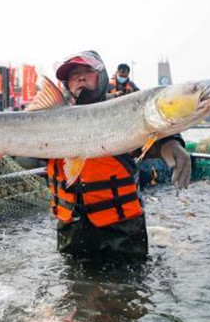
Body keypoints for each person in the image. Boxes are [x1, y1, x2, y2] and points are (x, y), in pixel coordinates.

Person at [48, 50, 193, 260]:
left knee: (128, 291)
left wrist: (173, 144)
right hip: (71, 231)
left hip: (121, 234)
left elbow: (151, 129)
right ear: (66, 84)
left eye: (88, 71)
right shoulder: (46, 118)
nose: (80, 77)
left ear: (102, 76)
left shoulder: (124, 109)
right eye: (73, 74)